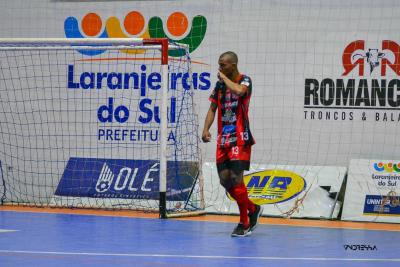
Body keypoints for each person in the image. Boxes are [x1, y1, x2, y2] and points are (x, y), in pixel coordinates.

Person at [202, 51, 263, 237]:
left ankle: (244, 223)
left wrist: (223, 79)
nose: (220, 68)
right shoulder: (219, 86)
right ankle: (253, 208)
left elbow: (239, 91)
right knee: (224, 180)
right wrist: (206, 129)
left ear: (233, 65)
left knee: (237, 178)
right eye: (219, 65)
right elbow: (213, 108)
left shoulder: (245, 80)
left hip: (240, 138)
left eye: (223, 65)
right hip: (223, 140)